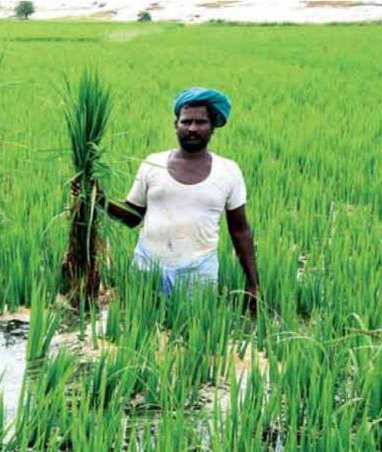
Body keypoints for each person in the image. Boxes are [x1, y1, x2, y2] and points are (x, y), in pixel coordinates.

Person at [73, 87, 259, 308]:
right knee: (140, 333)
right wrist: (100, 198)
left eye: (201, 122)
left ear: (213, 128)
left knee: (193, 335)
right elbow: (133, 216)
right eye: (186, 121)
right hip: (146, 268)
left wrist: (253, 283)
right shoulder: (153, 163)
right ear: (175, 125)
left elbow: (240, 230)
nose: (192, 128)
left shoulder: (228, 171)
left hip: (197, 272)